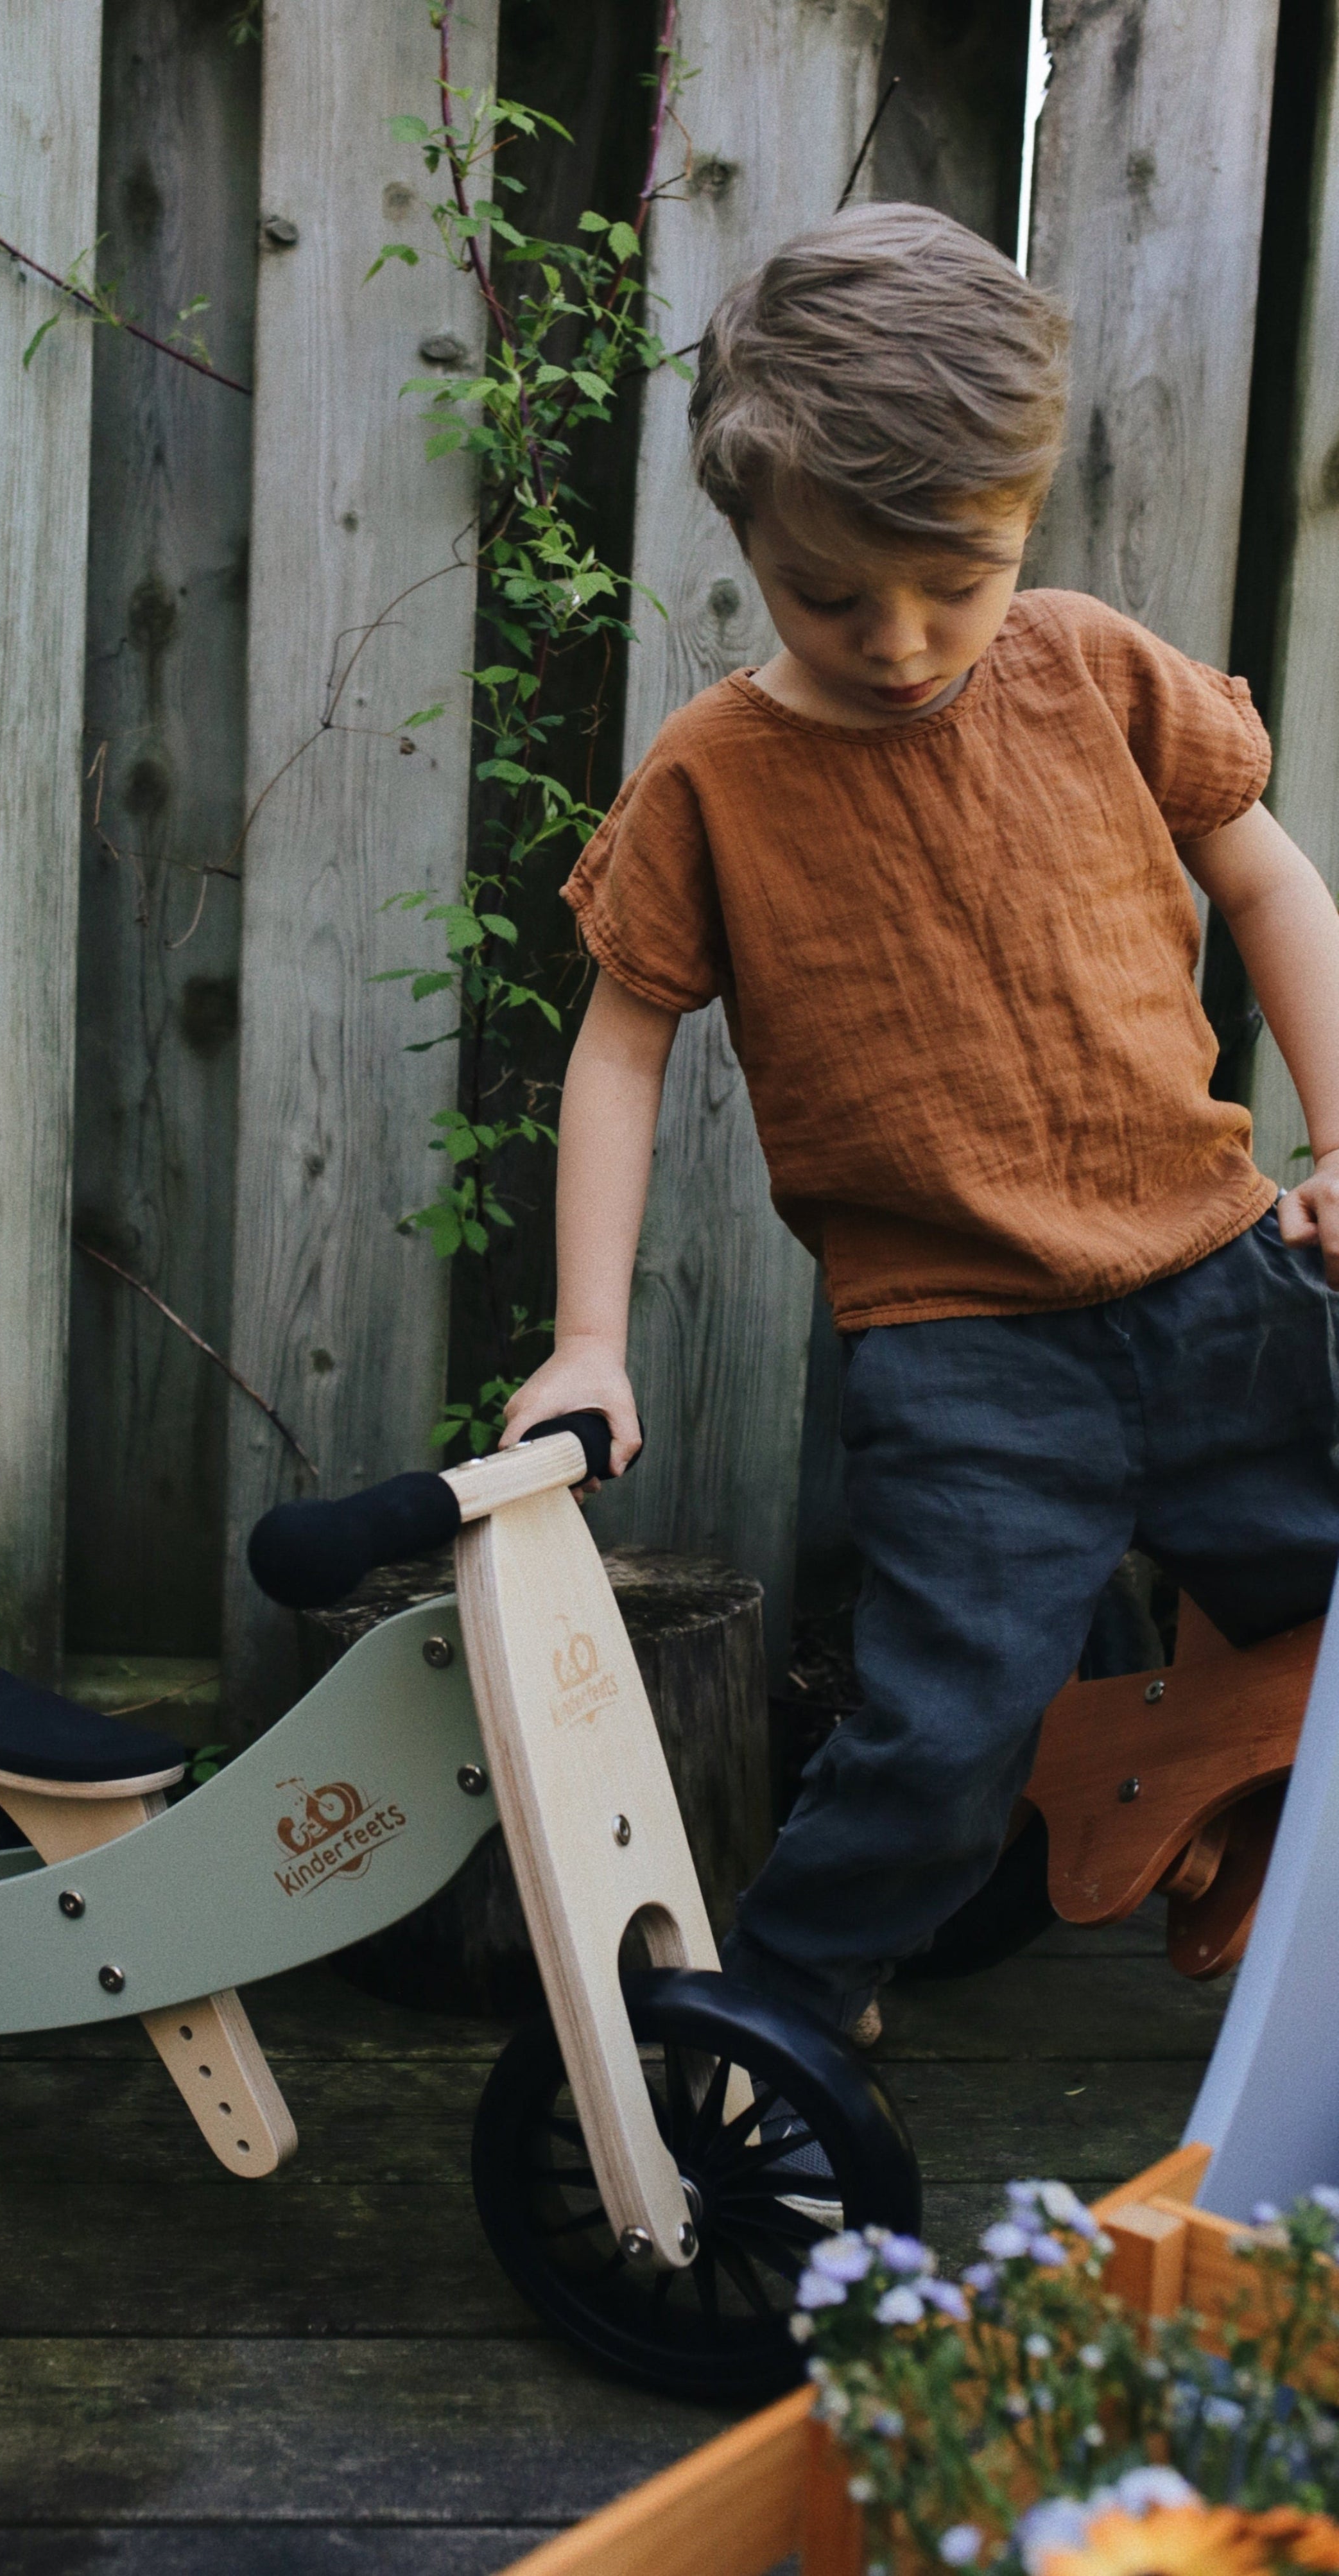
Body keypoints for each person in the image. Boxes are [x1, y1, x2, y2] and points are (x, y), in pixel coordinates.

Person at [500, 202, 1339, 2043]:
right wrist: (583, 1341)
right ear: (747, 544)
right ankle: (781, 2020)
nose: (897, 641)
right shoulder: (711, 779)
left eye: (951, 581)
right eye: (830, 596)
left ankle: (1211, 1792)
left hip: (1217, 1280)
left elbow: (1272, 889)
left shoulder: (1094, 670)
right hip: (961, 1360)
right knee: (938, 1725)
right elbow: (621, 1047)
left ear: (1023, 513)